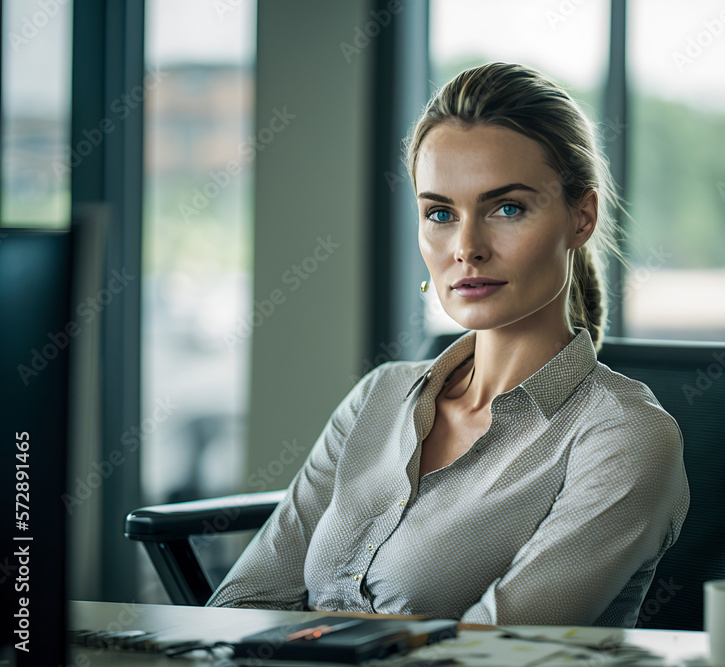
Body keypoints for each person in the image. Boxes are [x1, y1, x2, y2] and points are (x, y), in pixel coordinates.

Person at [206, 61, 690, 627]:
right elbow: (241, 605)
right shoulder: (381, 395)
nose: (466, 247)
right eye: (440, 213)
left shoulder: (625, 437)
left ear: (580, 217)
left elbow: (492, 652)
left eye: (507, 208)